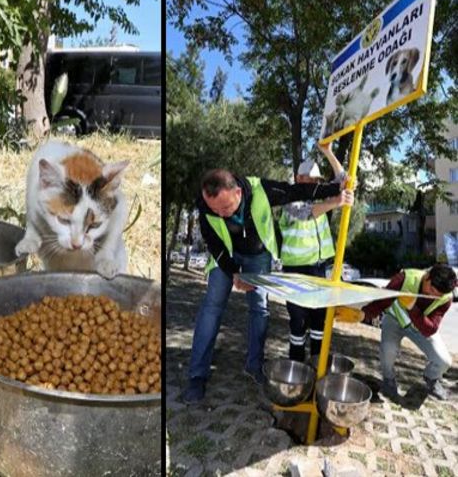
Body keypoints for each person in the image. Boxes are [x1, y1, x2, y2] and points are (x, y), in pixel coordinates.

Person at [182, 168, 352, 405]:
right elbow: (214, 243)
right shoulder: (205, 206)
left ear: (238, 192)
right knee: (211, 308)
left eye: (226, 208)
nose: (220, 214)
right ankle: (197, 376)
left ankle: (254, 366)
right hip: (226, 256)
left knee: (260, 310)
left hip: (257, 257)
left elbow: (296, 191)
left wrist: (336, 189)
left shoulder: (262, 189)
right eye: (215, 210)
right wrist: (234, 272)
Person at [280, 143, 353, 362]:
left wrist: (328, 151)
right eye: (307, 179)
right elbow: (305, 213)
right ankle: (296, 366)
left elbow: (344, 179)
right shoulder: (288, 198)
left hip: (319, 269)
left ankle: (317, 365)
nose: (312, 183)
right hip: (296, 270)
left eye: (315, 180)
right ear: (298, 178)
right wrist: (336, 202)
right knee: (298, 322)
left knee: (319, 320)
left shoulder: (320, 199)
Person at [359, 264, 455, 401]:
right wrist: (362, 314)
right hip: (394, 320)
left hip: (419, 328)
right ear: (427, 276)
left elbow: (431, 328)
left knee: (444, 360)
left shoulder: (446, 298)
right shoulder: (405, 278)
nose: (432, 295)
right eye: (432, 289)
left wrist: (412, 308)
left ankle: (431, 378)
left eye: (437, 295)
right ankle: (388, 380)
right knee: (388, 351)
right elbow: (381, 302)